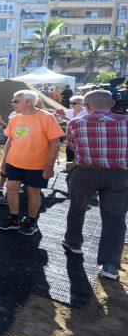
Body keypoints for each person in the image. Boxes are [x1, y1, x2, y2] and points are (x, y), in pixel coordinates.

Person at [62, 90, 128, 280]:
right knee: (115, 219)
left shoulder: (75, 123)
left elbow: (72, 146)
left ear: (86, 106)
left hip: (86, 172)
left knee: (77, 208)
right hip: (120, 174)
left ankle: (73, 242)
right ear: (112, 103)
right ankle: (110, 265)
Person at [0, 90, 63, 236]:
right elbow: (10, 141)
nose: (12, 103)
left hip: (37, 164)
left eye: (15, 101)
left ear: (29, 102)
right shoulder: (14, 119)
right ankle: (14, 219)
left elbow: (55, 143)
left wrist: (49, 166)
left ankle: (31, 221)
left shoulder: (47, 117)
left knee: (33, 192)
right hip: (14, 162)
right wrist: (4, 162)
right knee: (11, 187)